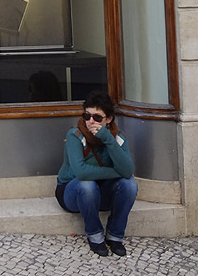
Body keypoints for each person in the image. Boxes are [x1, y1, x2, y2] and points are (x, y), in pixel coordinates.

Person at [55, 91, 138, 257]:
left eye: (97, 117)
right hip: (73, 191)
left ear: (109, 119)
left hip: (102, 192)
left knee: (129, 185)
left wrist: (107, 139)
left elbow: (127, 171)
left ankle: (115, 235)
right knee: (87, 185)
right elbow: (81, 172)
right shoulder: (75, 135)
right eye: (87, 115)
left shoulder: (118, 138)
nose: (90, 121)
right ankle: (95, 235)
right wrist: (115, 172)